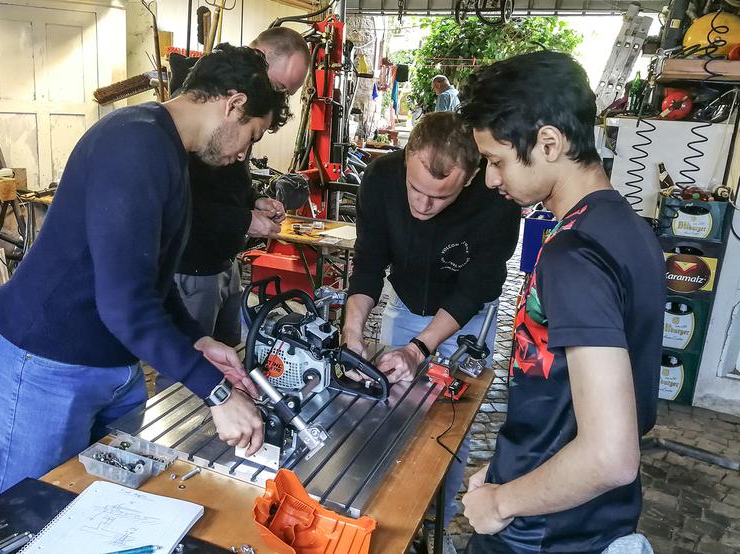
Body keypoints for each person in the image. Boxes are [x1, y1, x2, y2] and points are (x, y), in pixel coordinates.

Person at [0, 45, 292, 500]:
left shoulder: (171, 152)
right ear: (233, 103)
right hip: (46, 368)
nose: (245, 152)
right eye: (253, 135)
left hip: (113, 369)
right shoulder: (134, 145)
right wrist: (218, 395)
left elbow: (147, 277)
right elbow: (124, 304)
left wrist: (196, 340)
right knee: (23, 519)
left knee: (96, 515)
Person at [459, 51, 664, 554]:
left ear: (548, 142)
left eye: (497, 160)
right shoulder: (630, 230)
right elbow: (568, 401)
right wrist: (509, 463)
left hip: (547, 534)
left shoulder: (575, 255)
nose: (490, 179)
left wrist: (502, 501)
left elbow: (610, 454)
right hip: (586, 517)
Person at [343, 111, 520, 551]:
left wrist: (420, 348)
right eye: (415, 190)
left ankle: (440, 523)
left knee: (447, 426)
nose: (422, 206)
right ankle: (387, 519)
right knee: (386, 407)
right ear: (406, 160)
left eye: (439, 198)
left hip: (465, 318)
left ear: (470, 178)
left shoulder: (496, 198)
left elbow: (477, 286)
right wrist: (351, 331)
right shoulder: (381, 178)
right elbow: (367, 263)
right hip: (404, 301)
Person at [156, 28, 309, 395]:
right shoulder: (173, 132)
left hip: (222, 262)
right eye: (281, 87)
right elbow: (181, 209)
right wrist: (244, 219)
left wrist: (252, 200)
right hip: (192, 269)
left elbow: (223, 182)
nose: (280, 97)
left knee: (226, 357)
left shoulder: (223, 125)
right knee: (183, 378)